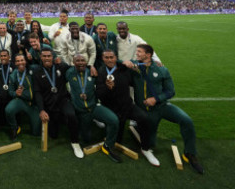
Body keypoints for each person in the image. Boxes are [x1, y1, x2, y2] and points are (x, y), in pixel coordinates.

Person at [130, 44, 204, 174]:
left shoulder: (162, 69)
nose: (137, 54)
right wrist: (125, 62)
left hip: (162, 106)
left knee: (186, 120)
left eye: (139, 52)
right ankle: (138, 127)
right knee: (150, 143)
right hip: (147, 112)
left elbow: (171, 92)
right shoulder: (134, 67)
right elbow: (118, 63)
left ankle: (190, 154)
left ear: (148, 55)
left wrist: (156, 99)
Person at [95, 49, 158, 166]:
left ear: (116, 58)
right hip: (111, 108)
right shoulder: (101, 72)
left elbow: (139, 65)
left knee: (144, 118)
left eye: (111, 57)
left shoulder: (123, 68)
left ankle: (145, 149)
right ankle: (109, 133)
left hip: (127, 106)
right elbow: (99, 94)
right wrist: (107, 88)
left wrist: (154, 64)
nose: (109, 60)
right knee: (117, 140)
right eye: (106, 58)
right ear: (102, 59)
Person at [66, 54, 121, 162]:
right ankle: (90, 124)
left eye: (83, 60)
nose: (81, 62)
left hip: (94, 106)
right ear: (73, 63)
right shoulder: (69, 73)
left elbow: (101, 85)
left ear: (87, 62)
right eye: (78, 61)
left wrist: (107, 85)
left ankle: (108, 145)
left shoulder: (93, 73)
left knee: (114, 120)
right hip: (82, 111)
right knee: (86, 139)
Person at [34, 48, 83, 158]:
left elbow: (77, 67)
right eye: (44, 56)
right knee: (53, 135)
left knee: (71, 115)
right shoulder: (37, 72)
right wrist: (42, 110)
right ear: (41, 58)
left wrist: (91, 67)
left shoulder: (61, 67)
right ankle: (59, 120)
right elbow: (37, 93)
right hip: (49, 105)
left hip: (63, 100)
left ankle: (75, 142)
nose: (47, 58)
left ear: (53, 57)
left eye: (49, 56)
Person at [5, 53, 41, 141]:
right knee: (9, 109)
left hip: (35, 103)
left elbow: (43, 64)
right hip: (22, 101)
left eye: (22, 60)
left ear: (25, 61)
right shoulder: (13, 75)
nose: (20, 62)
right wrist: (16, 93)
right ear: (15, 63)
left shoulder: (33, 69)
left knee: (36, 133)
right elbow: (10, 91)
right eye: (17, 61)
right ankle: (14, 127)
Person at [0, 49, 13, 124]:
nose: (3, 58)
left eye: (5, 56)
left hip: (11, 93)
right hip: (1, 94)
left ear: (9, 56)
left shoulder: (13, 66)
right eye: (1, 56)